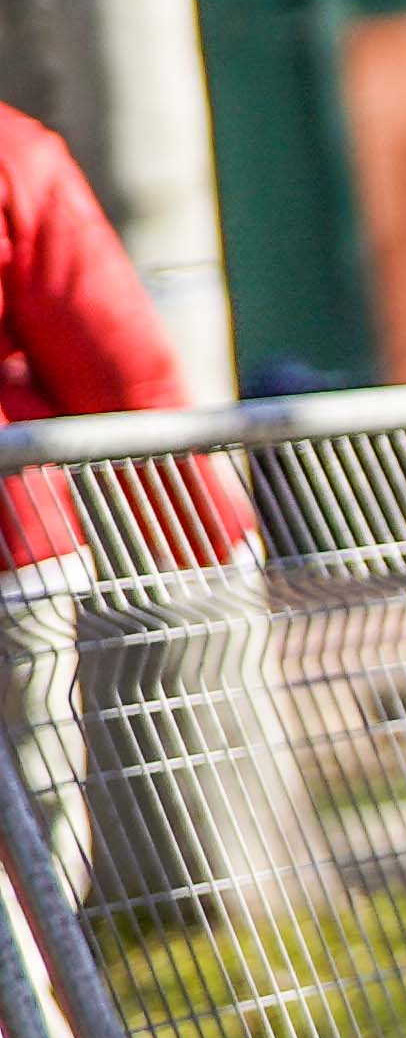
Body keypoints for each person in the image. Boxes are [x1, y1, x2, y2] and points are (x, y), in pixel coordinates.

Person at [0, 99, 252, 892]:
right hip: (14, 545)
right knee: (35, 804)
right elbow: (113, 362)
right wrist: (202, 524)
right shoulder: (12, 151)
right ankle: (37, 964)